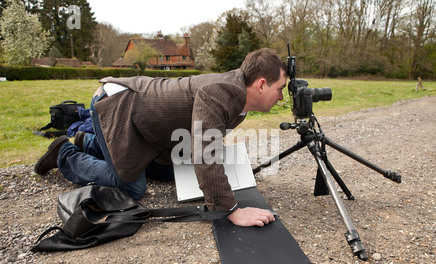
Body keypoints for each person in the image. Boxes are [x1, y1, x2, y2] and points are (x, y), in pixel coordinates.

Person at [35, 48, 287, 227]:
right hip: (118, 106)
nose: (282, 98)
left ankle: (88, 142)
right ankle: (65, 154)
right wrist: (230, 209)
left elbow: (199, 140)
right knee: (132, 187)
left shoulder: (239, 102)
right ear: (262, 84)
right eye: (280, 89)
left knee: (171, 171)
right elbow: (206, 152)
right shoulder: (222, 93)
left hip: (145, 122)